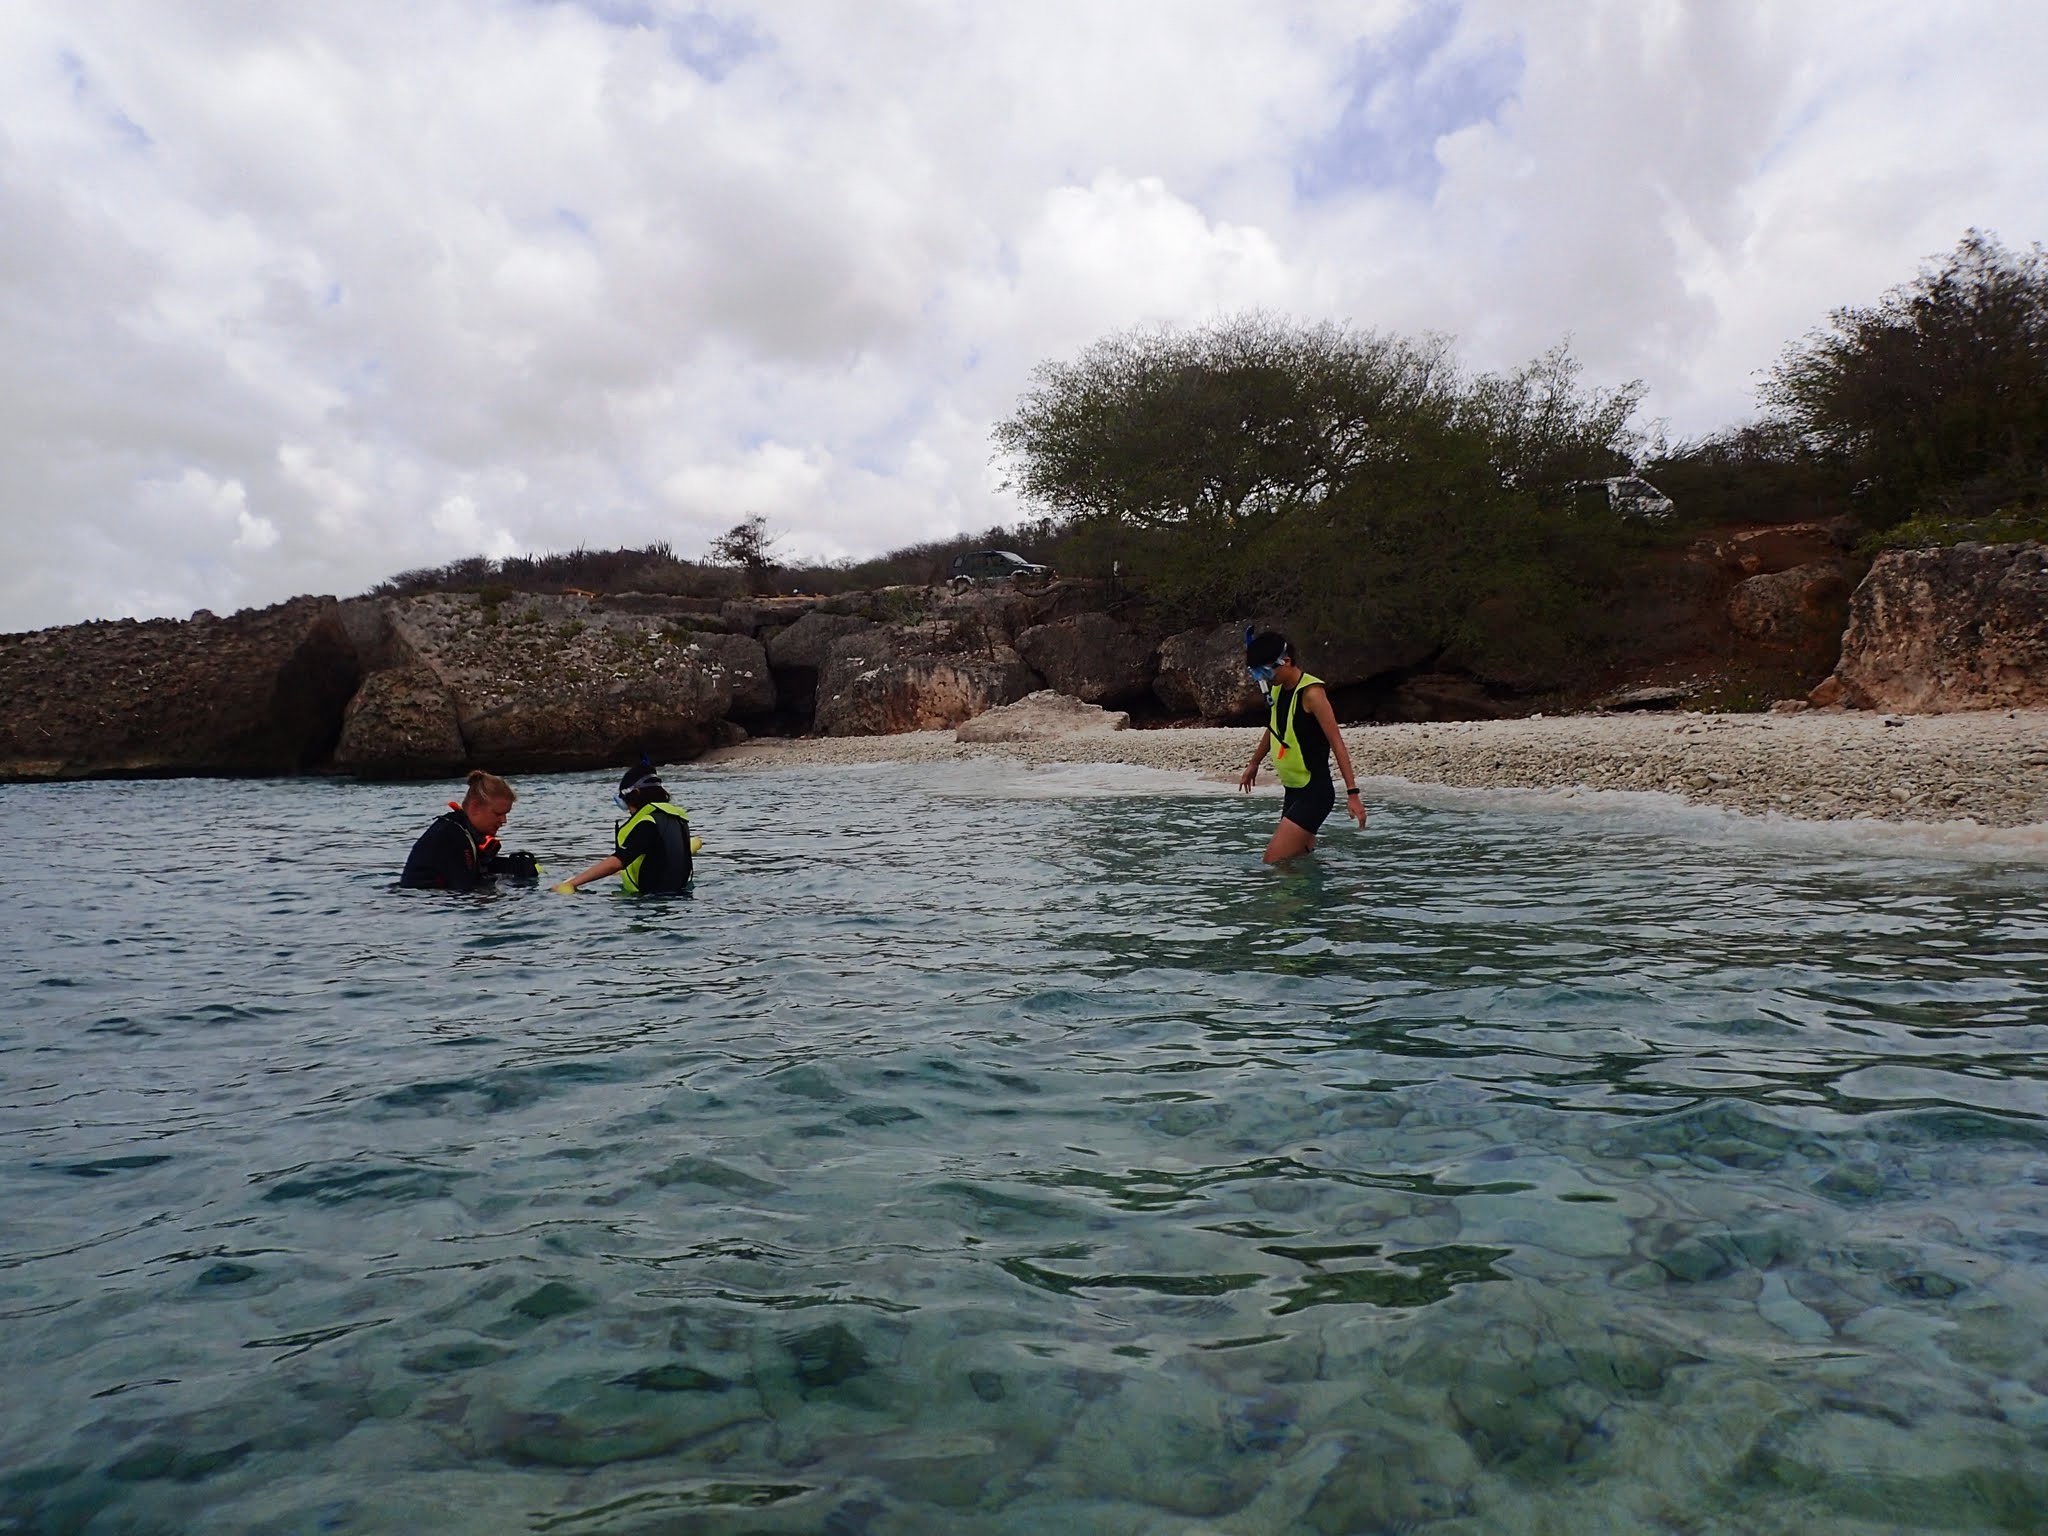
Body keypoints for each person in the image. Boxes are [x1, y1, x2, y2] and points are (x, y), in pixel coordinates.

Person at [1237, 630, 1366, 863]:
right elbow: (1274, 727)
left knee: (1273, 863)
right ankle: (1323, 899)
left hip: (1315, 793)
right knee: (1299, 862)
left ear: (1285, 661)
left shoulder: (1312, 693)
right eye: (1258, 674)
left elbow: (1336, 741)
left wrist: (1352, 793)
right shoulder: (1277, 690)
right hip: (1294, 790)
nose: (1265, 679)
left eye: (1266, 672)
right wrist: (1254, 763)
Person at [551, 762, 695, 895]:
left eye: (627, 803)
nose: (628, 810)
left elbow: (617, 862)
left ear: (636, 795)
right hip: (678, 895)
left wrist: (572, 883)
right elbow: (657, 859)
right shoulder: (677, 818)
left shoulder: (648, 823)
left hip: (649, 902)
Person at [399, 770, 534, 890]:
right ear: (475, 808)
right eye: (498, 814)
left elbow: (472, 870)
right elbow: (468, 889)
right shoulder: (452, 836)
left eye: (506, 814)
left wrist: (515, 867)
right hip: (419, 905)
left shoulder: (461, 830)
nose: (504, 821)